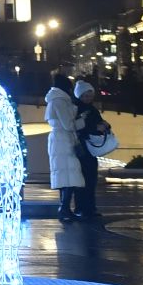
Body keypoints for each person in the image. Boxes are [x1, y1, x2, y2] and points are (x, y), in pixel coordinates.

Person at [44, 78, 84, 222]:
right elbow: (68, 124)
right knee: (69, 176)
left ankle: (65, 208)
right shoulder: (60, 101)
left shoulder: (55, 99)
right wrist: (82, 121)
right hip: (63, 140)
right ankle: (64, 208)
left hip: (59, 140)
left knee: (64, 176)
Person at [72, 80, 110, 219]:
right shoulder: (76, 109)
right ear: (79, 95)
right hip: (83, 148)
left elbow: (98, 123)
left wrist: (105, 126)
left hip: (90, 149)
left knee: (90, 178)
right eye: (85, 95)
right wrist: (96, 128)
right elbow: (77, 128)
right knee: (84, 178)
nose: (88, 98)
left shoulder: (91, 110)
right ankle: (83, 208)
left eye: (90, 95)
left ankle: (88, 208)